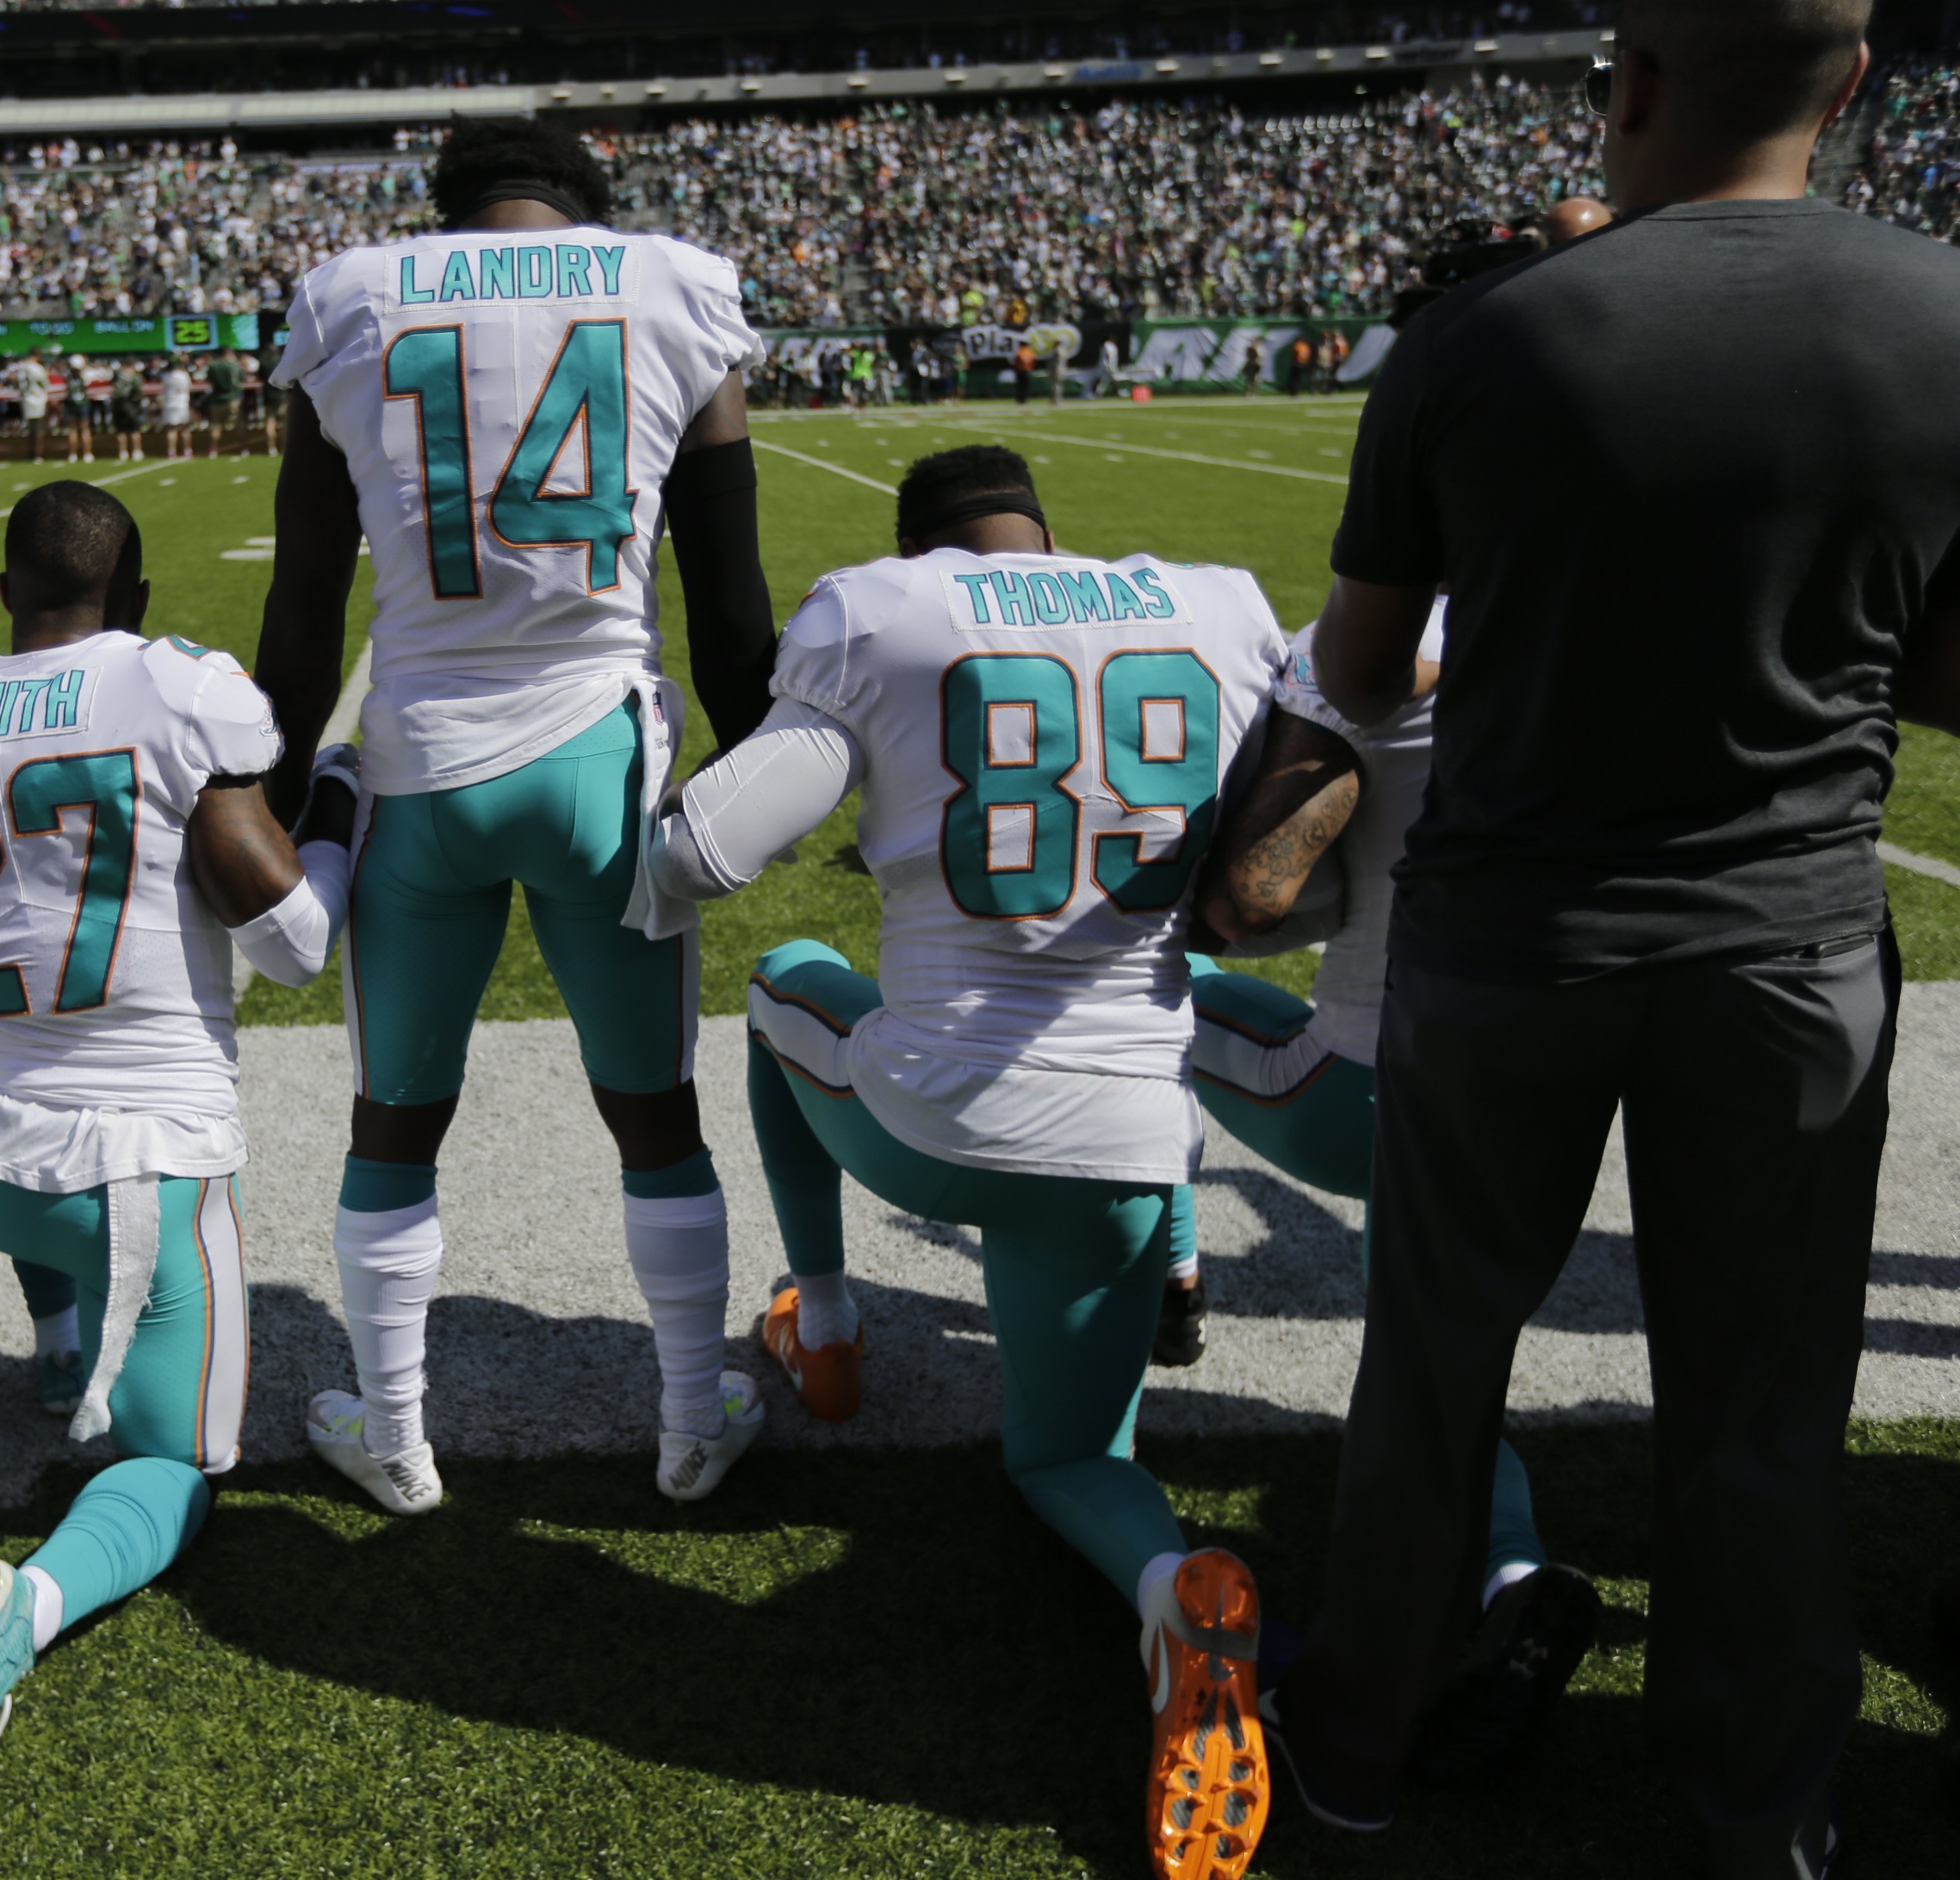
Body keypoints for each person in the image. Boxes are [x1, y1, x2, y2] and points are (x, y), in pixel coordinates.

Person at [1267, 7, 1947, 1874]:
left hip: (1507, 942)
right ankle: (1756, 1802)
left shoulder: (1481, 331)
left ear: (1630, 81)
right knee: (1763, 1402)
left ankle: (1352, 1743)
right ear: (1851, 86)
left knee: (1431, 1367)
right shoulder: (1942, 315)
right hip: (1785, 944)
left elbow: (1344, 671)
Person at [653, 445, 1283, 1880]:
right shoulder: (1223, 608)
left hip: (936, 1125)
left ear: (919, 540)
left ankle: (823, 1324)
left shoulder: (886, 610)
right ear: (1046, 528)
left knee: (786, 982)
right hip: (1130, 1142)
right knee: (1071, 1454)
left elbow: (713, 849)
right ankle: (1171, 1589)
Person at [256, 118, 779, 1511]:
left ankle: (396, 1434)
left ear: (445, 212)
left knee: (393, 1120)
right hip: (600, 762)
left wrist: (264, 796)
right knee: (655, 1110)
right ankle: (684, 1422)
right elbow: (730, 601)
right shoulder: (667, 284)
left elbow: (302, 605)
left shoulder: (354, 294)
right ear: (589, 208)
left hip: (420, 757)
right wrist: (763, 774)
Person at [0, 481, 355, 1837]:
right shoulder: (172, 684)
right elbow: (295, 944)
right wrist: (342, 823)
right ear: (132, 597)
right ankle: (31, 1601)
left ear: (4, 590)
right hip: (140, 1164)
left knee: (15, 1078)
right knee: (176, 1469)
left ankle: (57, 1343)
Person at [1186, 600, 1601, 1775]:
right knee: (1440, 1355)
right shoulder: (1642, 609)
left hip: (1376, 1079)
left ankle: (1172, 1260)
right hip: (1575, 1081)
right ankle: (1518, 1575)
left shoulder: (1381, 634)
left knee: (1156, 1002)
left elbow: (1255, 895)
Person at [202, 347, 244, 456]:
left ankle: (213, 450)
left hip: (217, 399)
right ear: (228, 354)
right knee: (238, 425)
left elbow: (209, 380)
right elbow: (243, 378)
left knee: (216, 426)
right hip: (232, 399)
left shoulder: (213, 366)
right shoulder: (234, 366)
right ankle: (243, 448)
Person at [106, 356, 145, 462]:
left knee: (121, 430)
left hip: (118, 404)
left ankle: (123, 452)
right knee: (134, 429)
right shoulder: (134, 377)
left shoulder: (118, 374)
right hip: (129, 404)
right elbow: (138, 391)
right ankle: (137, 450)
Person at [157, 357, 193, 460]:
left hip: (170, 403)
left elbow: (164, 389)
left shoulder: (166, 376)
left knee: (172, 429)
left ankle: (172, 451)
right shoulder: (184, 376)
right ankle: (187, 450)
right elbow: (188, 388)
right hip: (182, 404)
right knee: (185, 428)